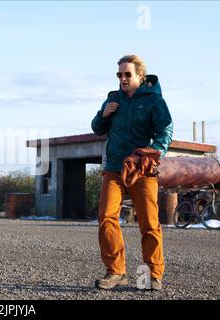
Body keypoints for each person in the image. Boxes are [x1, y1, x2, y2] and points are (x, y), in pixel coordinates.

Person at [91, 54, 173, 291]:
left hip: (141, 170)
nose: (123, 79)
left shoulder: (154, 101)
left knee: (149, 223)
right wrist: (103, 114)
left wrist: (154, 153)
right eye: (119, 74)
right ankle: (116, 272)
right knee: (106, 217)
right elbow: (97, 128)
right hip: (114, 169)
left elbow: (165, 130)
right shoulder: (113, 99)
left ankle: (153, 275)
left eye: (128, 74)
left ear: (140, 76)